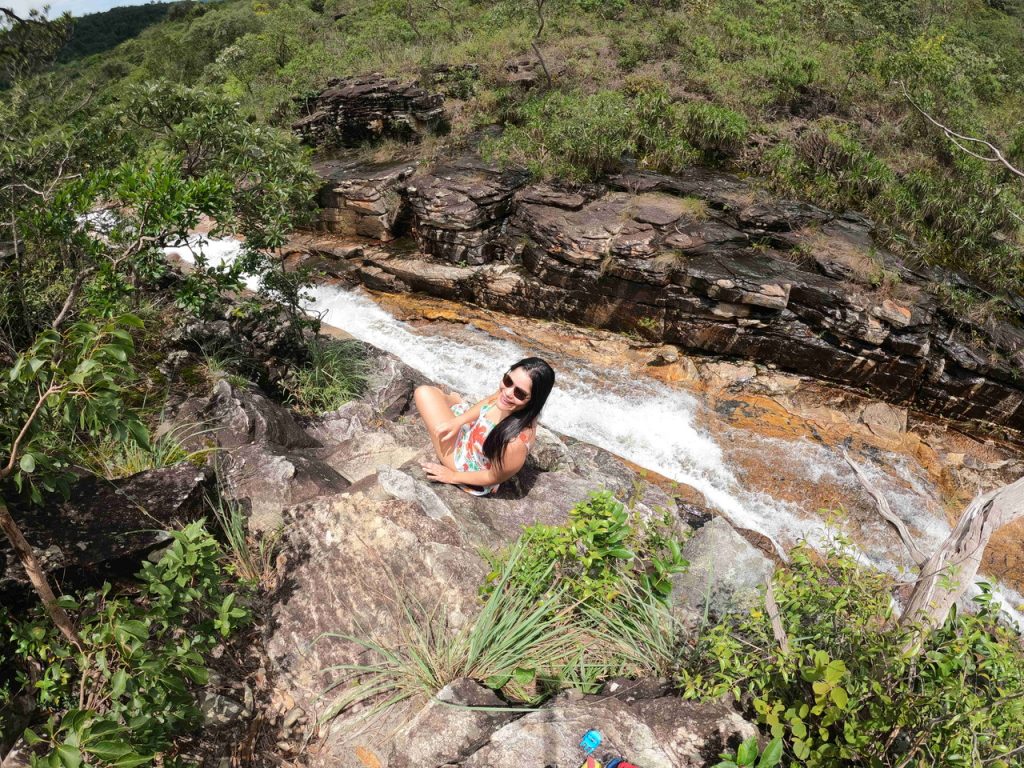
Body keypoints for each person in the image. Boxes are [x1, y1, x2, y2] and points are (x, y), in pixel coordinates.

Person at [413, 357, 555, 496]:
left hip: (465, 465)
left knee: (424, 393)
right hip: (472, 436)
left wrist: (452, 476)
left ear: (533, 401)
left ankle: (453, 401)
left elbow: (493, 477)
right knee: (435, 394)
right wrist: (459, 421)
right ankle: (455, 402)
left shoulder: (515, 443)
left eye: (520, 393)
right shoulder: (507, 397)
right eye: (508, 380)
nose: (507, 392)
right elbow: (489, 401)